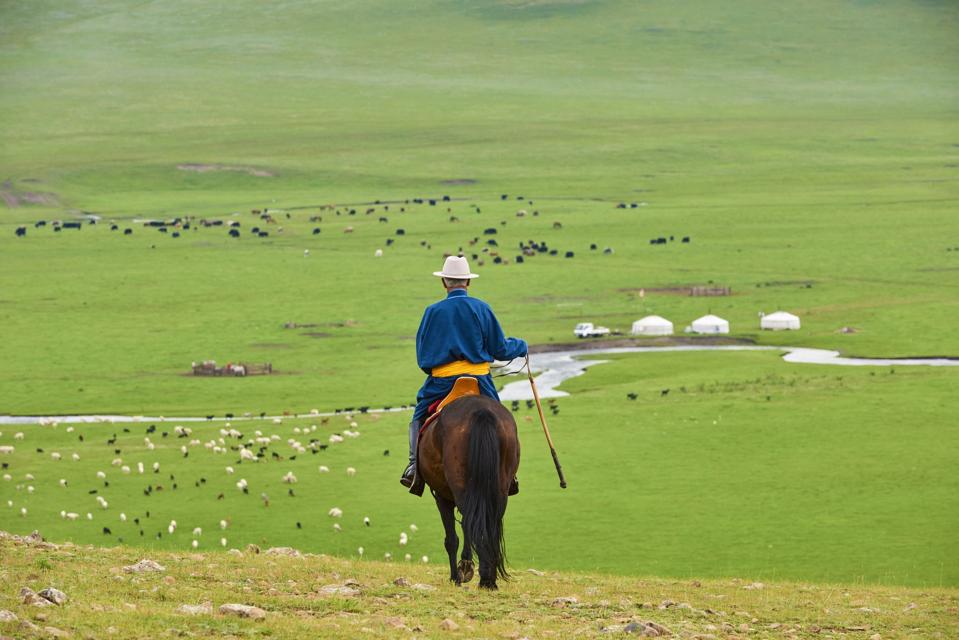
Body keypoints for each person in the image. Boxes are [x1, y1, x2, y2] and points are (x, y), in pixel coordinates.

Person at [400, 255, 527, 490]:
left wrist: (441, 366)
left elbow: (423, 359)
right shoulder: (482, 308)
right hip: (480, 381)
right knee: (500, 418)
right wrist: (521, 346)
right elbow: (500, 348)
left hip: (442, 382)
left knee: (419, 414)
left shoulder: (432, 312)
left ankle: (413, 468)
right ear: (468, 282)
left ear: (444, 283)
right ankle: (509, 474)